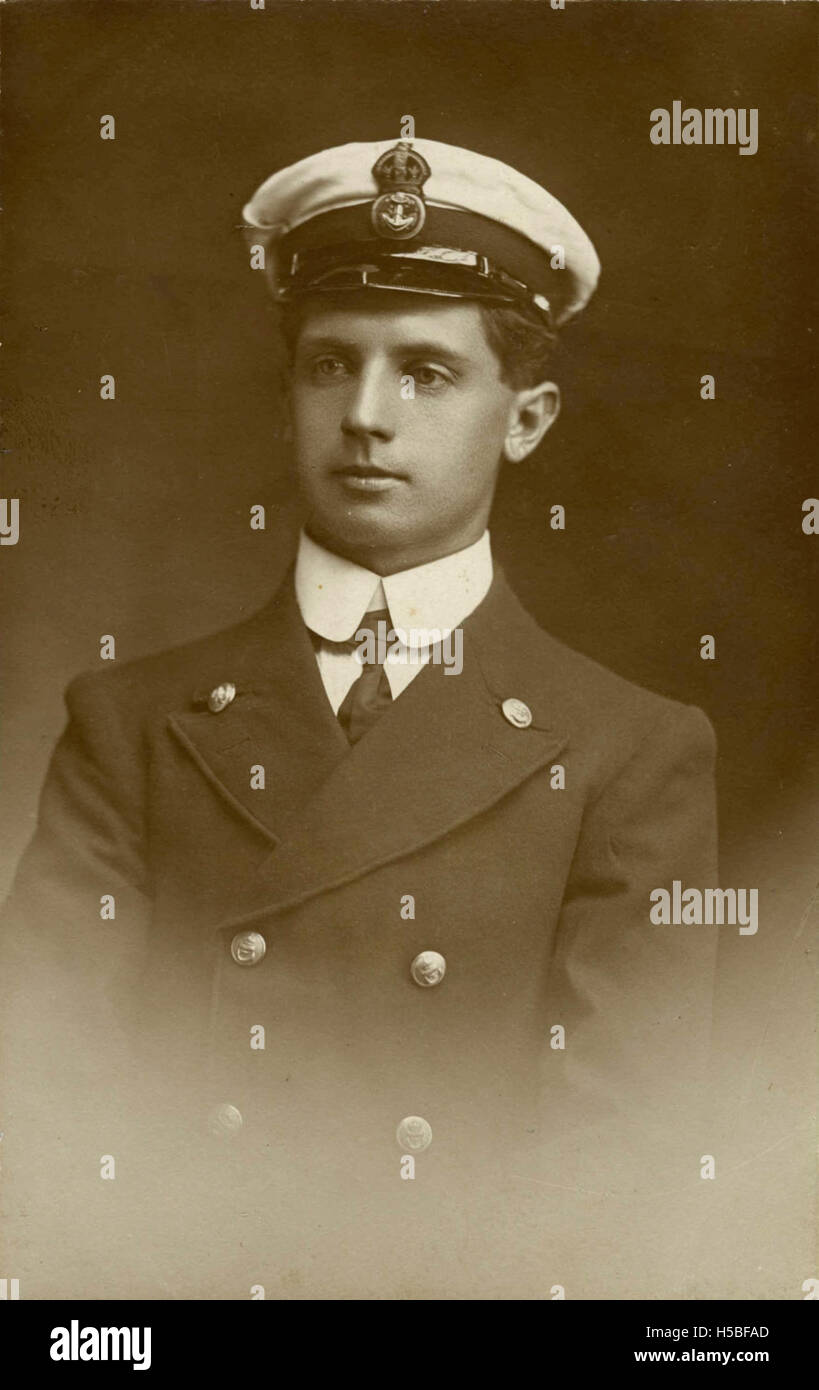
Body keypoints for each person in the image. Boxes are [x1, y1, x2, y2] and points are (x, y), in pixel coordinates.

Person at [0, 137, 719, 1299]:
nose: (367, 417)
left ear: (526, 420)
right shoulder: (127, 721)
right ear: (289, 393)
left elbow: (619, 1162)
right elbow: (36, 1098)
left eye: (427, 373)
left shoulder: (630, 750)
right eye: (332, 366)